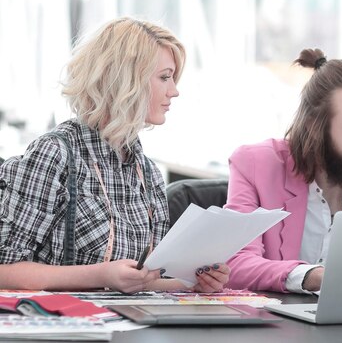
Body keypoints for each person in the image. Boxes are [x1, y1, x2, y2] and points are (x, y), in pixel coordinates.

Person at [0, 17, 229, 293]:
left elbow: (144, 280)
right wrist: (101, 276)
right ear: (126, 79)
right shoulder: (56, 154)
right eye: (165, 77)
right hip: (67, 327)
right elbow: (5, 269)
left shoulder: (148, 172)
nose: (174, 91)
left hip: (130, 325)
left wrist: (195, 284)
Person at [224, 48, 342, 293]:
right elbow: (235, 265)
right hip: (276, 326)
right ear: (315, 126)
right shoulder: (254, 165)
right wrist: (313, 276)